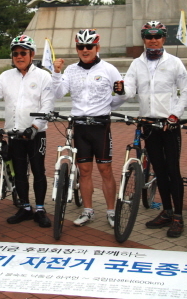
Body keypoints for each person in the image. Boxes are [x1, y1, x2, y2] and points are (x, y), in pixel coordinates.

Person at [118, 21, 187, 238]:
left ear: (163, 37)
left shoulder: (175, 62)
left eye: (157, 35)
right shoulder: (136, 64)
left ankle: (178, 216)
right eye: (148, 36)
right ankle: (167, 212)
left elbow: (185, 91)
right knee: (159, 171)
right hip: (149, 125)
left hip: (168, 124)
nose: (153, 39)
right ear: (143, 38)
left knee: (173, 171)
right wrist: (121, 89)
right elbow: (130, 91)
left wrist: (174, 115)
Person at [52, 29, 126, 228]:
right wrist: (56, 73)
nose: (85, 50)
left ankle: (111, 212)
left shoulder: (108, 69)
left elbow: (123, 93)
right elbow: (58, 94)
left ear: (97, 48)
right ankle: (88, 211)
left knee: (105, 170)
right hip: (80, 126)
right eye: (80, 47)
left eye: (89, 46)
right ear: (77, 48)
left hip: (100, 126)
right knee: (84, 171)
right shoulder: (71, 71)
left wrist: (108, 106)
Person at [0, 35, 54, 228]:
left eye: (23, 53)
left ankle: (40, 209)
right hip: (15, 134)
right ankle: (25, 207)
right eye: (15, 54)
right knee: (19, 173)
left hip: (35, 133)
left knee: (38, 171)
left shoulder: (43, 76)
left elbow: (47, 105)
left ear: (32, 54)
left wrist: (35, 126)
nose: (19, 57)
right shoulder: (6, 76)